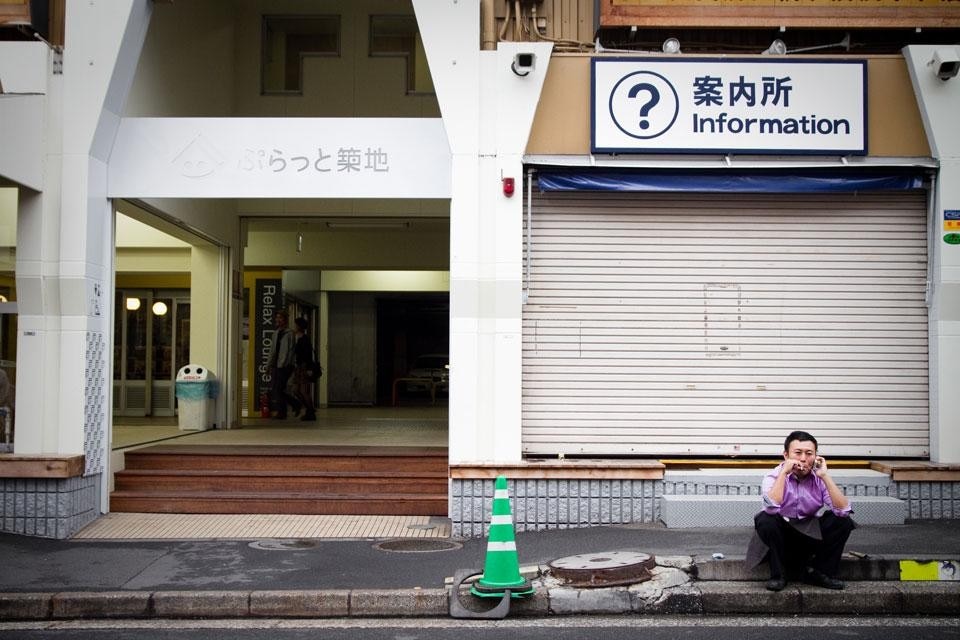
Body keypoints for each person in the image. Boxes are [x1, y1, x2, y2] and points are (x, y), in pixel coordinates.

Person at [747, 430, 856, 592]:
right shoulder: (773, 476)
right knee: (765, 518)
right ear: (786, 455)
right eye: (797, 453)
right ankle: (778, 575)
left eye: (809, 453)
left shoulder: (819, 478)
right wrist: (784, 473)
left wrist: (824, 476)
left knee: (843, 521)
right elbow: (771, 508)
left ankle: (820, 573)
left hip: (809, 535)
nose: (803, 459)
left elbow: (843, 511)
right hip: (782, 537)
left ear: (816, 456)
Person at [266, 310, 298, 419]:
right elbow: (272, 351)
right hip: (276, 365)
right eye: (277, 317)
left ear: (285, 320)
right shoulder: (275, 334)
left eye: (280, 318)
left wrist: (287, 364)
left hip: (285, 366)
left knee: (278, 389)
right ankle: (288, 408)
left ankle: (287, 408)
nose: (278, 320)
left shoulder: (290, 334)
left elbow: (291, 350)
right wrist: (268, 365)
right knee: (277, 389)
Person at [290, 317, 317, 422]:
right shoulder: (299, 338)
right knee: (296, 390)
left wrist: (309, 369)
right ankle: (309, 409)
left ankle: (310, 412)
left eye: (295, 324)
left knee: (303, 391)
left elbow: (308, 355)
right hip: (299, 367)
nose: (294, 326)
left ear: (299, 326)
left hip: (304, 367)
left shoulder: (304, 340)